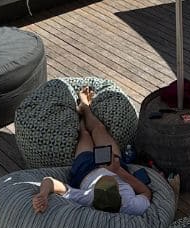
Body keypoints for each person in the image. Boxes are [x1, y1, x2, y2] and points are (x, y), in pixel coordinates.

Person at [32, 86, 152, 216]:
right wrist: (117, 171)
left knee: (85, 134)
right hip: (115, 167)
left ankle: (81, 114)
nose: (104, 175)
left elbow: (50, 181)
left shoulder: (86, 197)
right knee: (99, 129)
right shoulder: (131, 206)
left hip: (85, 168)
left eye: (101, 181)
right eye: (112, 180)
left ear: (94, 194)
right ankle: (86, 108)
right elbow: (146, 193)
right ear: (119, 193)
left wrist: (43, 194)